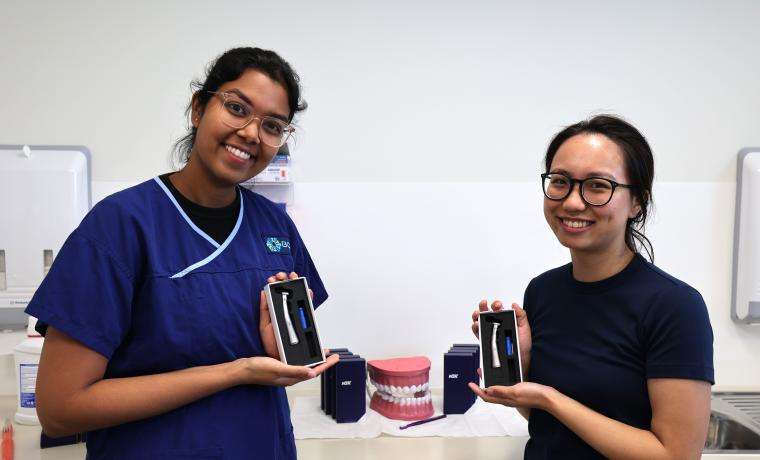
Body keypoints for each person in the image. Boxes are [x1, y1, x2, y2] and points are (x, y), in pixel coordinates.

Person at [26, 47, 338, 459]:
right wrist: (236, 371)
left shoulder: (275, 227)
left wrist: (276, 350)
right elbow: (61, 409)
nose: (250, 133)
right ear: (198, 108)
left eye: (273, 126)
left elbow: (284, 354)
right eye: (236, 107)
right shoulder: (120, 226)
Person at [469, 115, 714, 459]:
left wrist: (547, 397)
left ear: (637, 201)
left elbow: (675, 455)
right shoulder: (542, 291)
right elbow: (547, 423)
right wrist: (522, 370)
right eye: (560, 181)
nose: (571, 202)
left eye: (598, 186)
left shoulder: (675, 306)